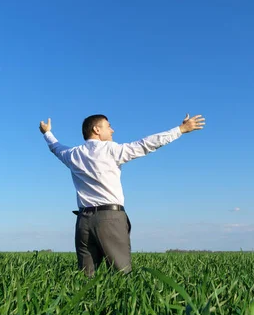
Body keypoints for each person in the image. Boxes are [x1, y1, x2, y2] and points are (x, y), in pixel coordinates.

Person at [39, 113, 205, 276]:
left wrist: (47, 133)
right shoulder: (111, 150)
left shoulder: (73, 154)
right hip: (110, 218)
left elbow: (55, 147)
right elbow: (146, 144)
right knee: (122, 275)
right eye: (109, 126)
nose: (112, 130)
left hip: (83, 221)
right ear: (97, 129)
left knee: (85, 278)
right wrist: (180, 130)